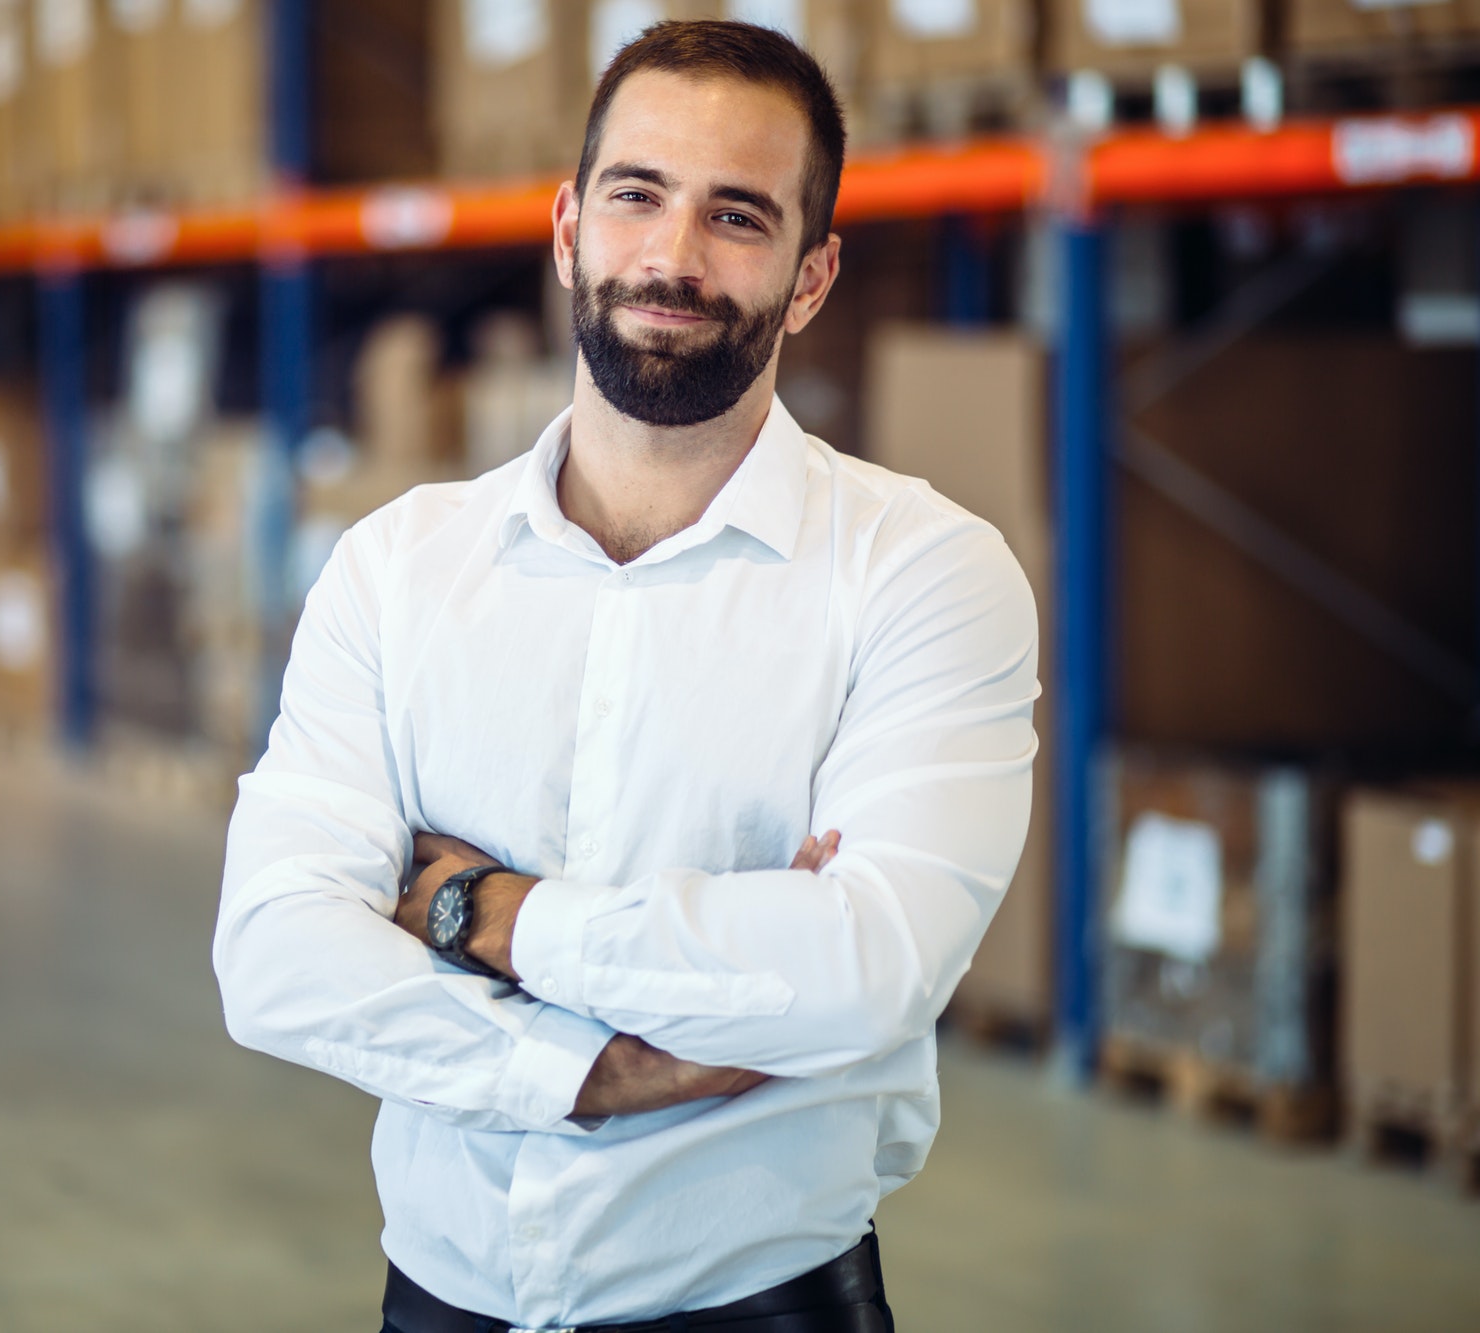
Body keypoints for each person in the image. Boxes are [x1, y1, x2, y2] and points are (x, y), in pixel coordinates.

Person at [215, 19, 1038, 1333]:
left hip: (760, 1307)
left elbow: (870, 964)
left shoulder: (921, 575)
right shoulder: (399, 569)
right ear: (566, 227)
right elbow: (270, 955)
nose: (672, 256)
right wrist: (586, 1069)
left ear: (813, 275)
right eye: (637, 196)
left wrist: (483, 910)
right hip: (436, 1302)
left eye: (737, 216)